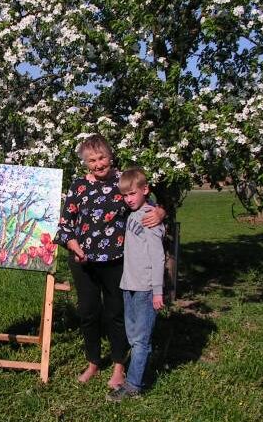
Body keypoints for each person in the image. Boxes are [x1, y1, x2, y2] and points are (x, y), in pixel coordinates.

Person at [55, 134, 165, 388]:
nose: (98, 164)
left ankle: (118, 366)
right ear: (85, 162)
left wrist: (160, 211)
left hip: (117, 261)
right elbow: (65, 224)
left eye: (102, 157)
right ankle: (93, 362)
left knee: (116, 313)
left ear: (110, 156)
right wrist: (73, 244)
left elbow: (147, 201)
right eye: (91, 160)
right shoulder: (79, 185)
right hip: (83, 262)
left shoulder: (122, 181)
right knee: (89, 312)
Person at [106, 167, 165, 402]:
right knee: (133, 336)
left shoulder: (150, 217)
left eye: (133, 194)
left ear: (145, 190)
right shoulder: (132, 215)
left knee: (141, 340)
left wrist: (157, 292)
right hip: (129, 285)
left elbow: (158, 257)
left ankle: (132, 386)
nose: (129, 199)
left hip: (145, 288)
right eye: (125, 195)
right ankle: (135, 376)